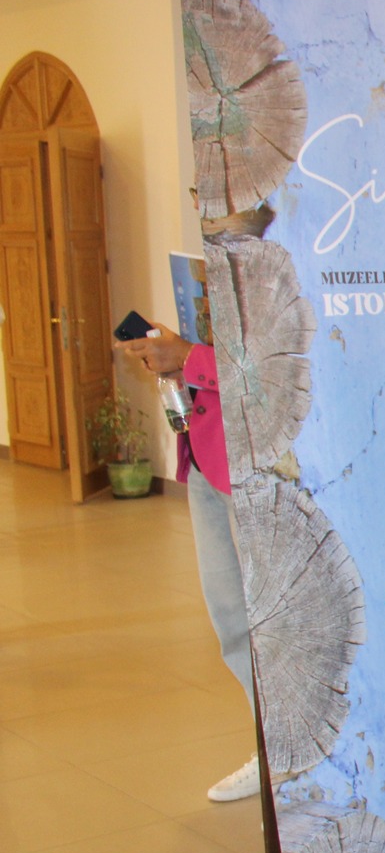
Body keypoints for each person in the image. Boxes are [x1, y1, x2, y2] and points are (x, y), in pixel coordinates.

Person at [115, 327, 259, 803]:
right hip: (204, 456)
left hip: (255, 464)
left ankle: (301, 758)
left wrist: (190, 356)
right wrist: (175, 359)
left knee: (272, 624)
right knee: (231, 618)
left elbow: (275, 367)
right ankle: (274, 749)